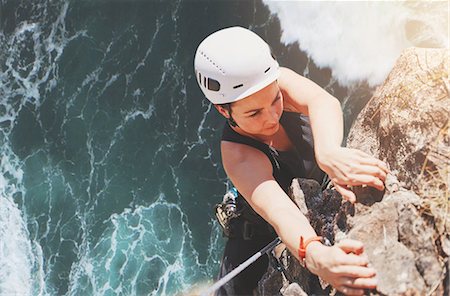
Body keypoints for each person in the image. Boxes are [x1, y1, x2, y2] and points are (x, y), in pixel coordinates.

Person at [194, 26, 389, 296]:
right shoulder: (238, 155)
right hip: (256, 239)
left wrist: (328, 151)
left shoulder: (276, 81)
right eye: (254, 113)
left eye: (276, 100)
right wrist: (315, 255)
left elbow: (322, 101)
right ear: (222, 110)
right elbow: (281, 213)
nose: (272, 117)